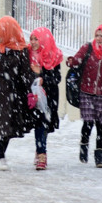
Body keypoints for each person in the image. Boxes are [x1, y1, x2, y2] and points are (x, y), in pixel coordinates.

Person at [0, 16, 36, 170]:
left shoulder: (21, 50)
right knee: (1, 124)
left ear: (8, 32)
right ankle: (0, 155)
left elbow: (26, 73)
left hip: (15, 93)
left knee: (9, 126)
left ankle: (1, 154)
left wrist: (29, 93)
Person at [66, 24, 102, 168]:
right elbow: (78, 59)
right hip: (87, 91)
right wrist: (72, 61)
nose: (99, 38)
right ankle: (84, 145)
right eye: (97, 35)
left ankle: (99, 155)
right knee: (88, 123)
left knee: (101, 126)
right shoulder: (88, 48)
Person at [27, 27, 63, 170]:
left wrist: (42, 74)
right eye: (32, 39)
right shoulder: (28, 54)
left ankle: (41, 151)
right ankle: (41, 152)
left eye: (37, 39)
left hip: (49, 96)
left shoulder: (53, 55)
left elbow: (57, 77)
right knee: (38, 123)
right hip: (33, 96)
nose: (34, 42)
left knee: (44, 124)